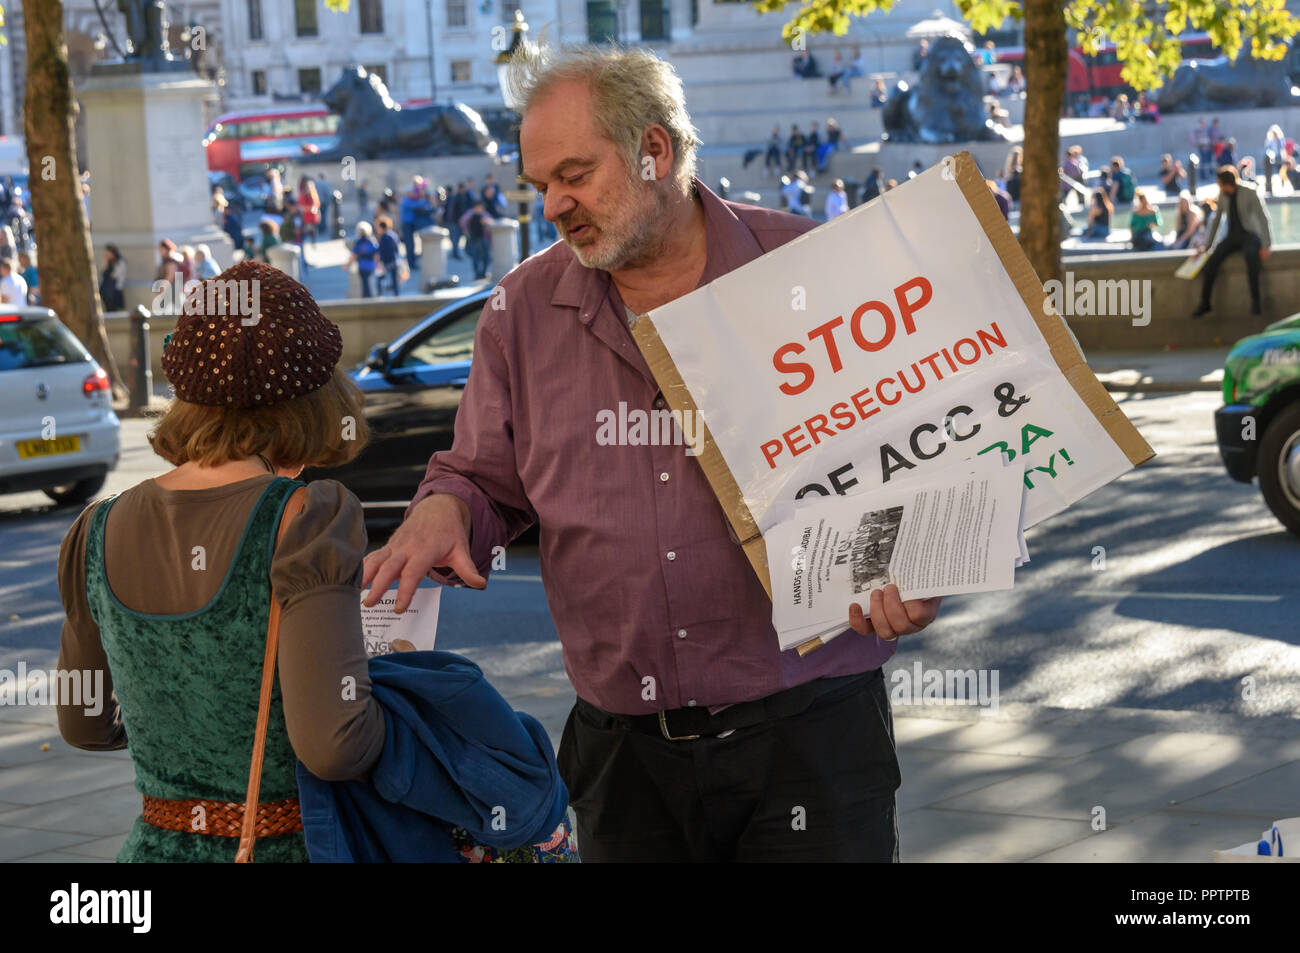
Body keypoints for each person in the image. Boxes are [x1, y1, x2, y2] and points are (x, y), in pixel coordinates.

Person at [363, 43, 941, 864]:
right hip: (621, 761)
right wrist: (444, 508)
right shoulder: (521, 309)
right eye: (540, 187)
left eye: (575, 174)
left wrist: (919, 567)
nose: (554, 206)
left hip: (810, 740)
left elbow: (917, 456)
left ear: (655, 150)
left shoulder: (809, 269)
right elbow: (481, 475)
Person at [55, 260, 384, 862]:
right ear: (313, 398)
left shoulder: (95, 529)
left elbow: (83, 721)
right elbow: (334, 746)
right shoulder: (308, 519)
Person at [1193, 164, 1272, 318]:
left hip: (1250, 235)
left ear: (1225, 183)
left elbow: (1263, 218)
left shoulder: (1250, 191)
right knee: (1212, 262)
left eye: (1220, 184)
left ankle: (1255, 301)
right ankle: (1205, 303)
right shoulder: (1223, 195)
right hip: (1232, 236)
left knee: (1251, 258)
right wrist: (1207, 246)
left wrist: (1266, 245)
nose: (1219, 187)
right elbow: (1216, 221)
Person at [461, 200, 493, 280]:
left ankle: (482, 273)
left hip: (482, 238)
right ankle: (478, 273)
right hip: (476, 239)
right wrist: (466, 232)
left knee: (484, 257)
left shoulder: (483, 214)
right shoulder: (472, 215)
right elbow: (462, 222)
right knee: (477, 257)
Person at [346, 221, 379, 298]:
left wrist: (347, 265)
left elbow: (353, 255)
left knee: (365, 282)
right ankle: (369, 295)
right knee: (369, 281)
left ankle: (366, 296)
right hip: (370, 265)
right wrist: (376, 264)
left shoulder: (358, 242)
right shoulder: (372, 242)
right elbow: (376, 254)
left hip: (362, 266)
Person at [374, 216, 404, 295]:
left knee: (380, 278)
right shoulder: (393, 234)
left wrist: (381, 261)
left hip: (388, 261)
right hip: (395, 259)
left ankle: (379, 294)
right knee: (394, 279)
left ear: (381, 227)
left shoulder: (385, 237)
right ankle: (396, 295)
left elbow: (384, 250)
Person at [1083, 172, 1113, 240]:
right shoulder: (1109, 205)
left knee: (1083, 231)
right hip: (1107, 230)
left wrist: (1087, 234)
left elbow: (1090, 223)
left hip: (1100, 231)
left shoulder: (1096, 209)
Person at [99, 244, 126, 311]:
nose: (107, 255)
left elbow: (114, 275)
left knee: (114, 309)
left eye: (108, 253)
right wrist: (106, 263)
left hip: (115, 291)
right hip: (106, 292)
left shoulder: (120, 262)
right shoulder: (108, 262)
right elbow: (103, 273)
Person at [298, 177, 321, 246]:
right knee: (305, 232)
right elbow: (301, 206)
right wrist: (308, 208)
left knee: (313, 232)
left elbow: (317, 205)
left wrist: (315, 210)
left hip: (313, 217)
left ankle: (313, 243)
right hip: (306, 217)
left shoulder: (314, 195)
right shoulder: (302, 196)